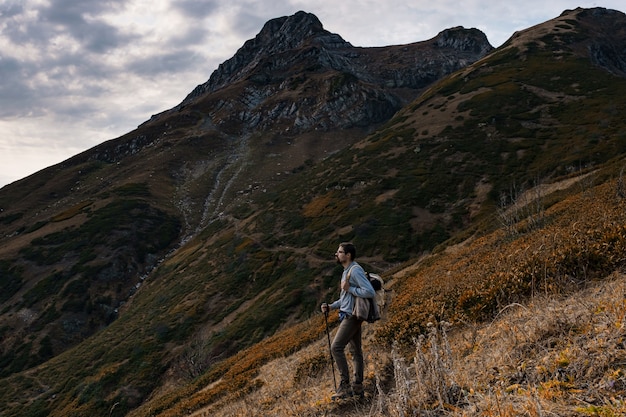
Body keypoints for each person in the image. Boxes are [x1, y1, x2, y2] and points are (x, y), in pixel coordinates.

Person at [321, 242, 376, 400]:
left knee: (336, 347)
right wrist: (331, 306)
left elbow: (369, 292)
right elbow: (345, 298)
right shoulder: (347, 271)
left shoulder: (355, 270)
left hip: (351, 316)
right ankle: (358, 388)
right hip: (349, 313)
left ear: (348, 255)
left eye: (339, 252)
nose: (336, 254)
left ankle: (345, 386)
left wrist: (349, 289)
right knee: (356, 352)